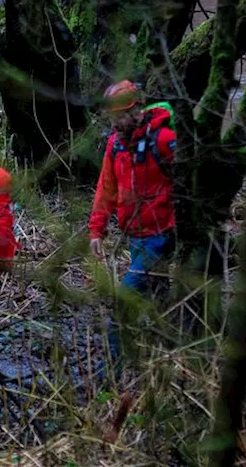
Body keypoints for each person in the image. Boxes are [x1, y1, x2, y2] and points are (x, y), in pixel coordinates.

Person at [87, 81, 177, 365]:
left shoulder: (163, 139)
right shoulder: (115, 145)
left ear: (136, 110)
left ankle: (111, 370)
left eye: (118, 117)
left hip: (160, 235)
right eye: (111, 118)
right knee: (158, 297)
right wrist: (96, 231)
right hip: (135, 235)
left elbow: (190, 180)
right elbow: (106, 189)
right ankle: (165, 355)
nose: (114, 124)